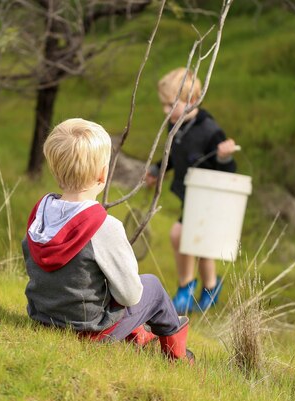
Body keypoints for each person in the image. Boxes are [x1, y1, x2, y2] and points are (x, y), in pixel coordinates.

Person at [22, 118, 194, 363]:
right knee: (152, 288)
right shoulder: (104, 226)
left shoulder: (40, 214)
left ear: (54, 168)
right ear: (103, 174)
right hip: (90, 330)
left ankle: (137, 336)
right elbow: (130, 296)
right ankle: (177, 355)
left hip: (43, 318)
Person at [145, 68, 239, 314]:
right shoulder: (176, 125)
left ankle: (187, 287)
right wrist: (158, 169)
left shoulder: (209, 130)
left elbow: (229, 171)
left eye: (171, 105)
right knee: (199, 243)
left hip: (209, 197)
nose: (166, 111)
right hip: (191, 196)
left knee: (182, 236)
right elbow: (175, 156)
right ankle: (210, 287)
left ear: (193, 101)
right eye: (164, 105)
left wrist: (224, 157)